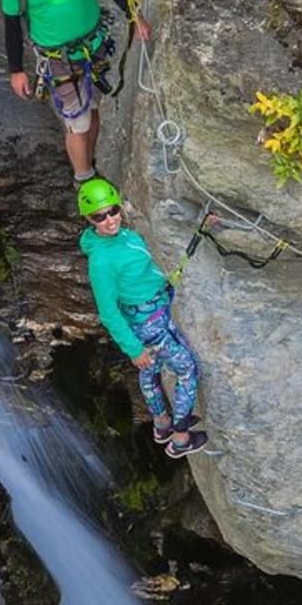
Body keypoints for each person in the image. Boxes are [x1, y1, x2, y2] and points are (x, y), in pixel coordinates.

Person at [0, 0, 152, 186]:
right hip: (58, 59)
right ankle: (84, 181)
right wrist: (16, 70)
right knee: (77, 122)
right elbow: (12, 25)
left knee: (92, 112)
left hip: (94, 48)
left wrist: (136, 16)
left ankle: (90, 164)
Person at [76, 178, 206, 458]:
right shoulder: (100, 262)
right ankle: (181, 439)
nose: (110, 220)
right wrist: (133, 348)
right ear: (88, 219)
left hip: (146, 312)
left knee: (150, 370)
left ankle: (161, 425)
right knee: (187, 371)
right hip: (151, 322)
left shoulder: (118, 237)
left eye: (112, 211)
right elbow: (108, 312)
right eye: (100, 216)